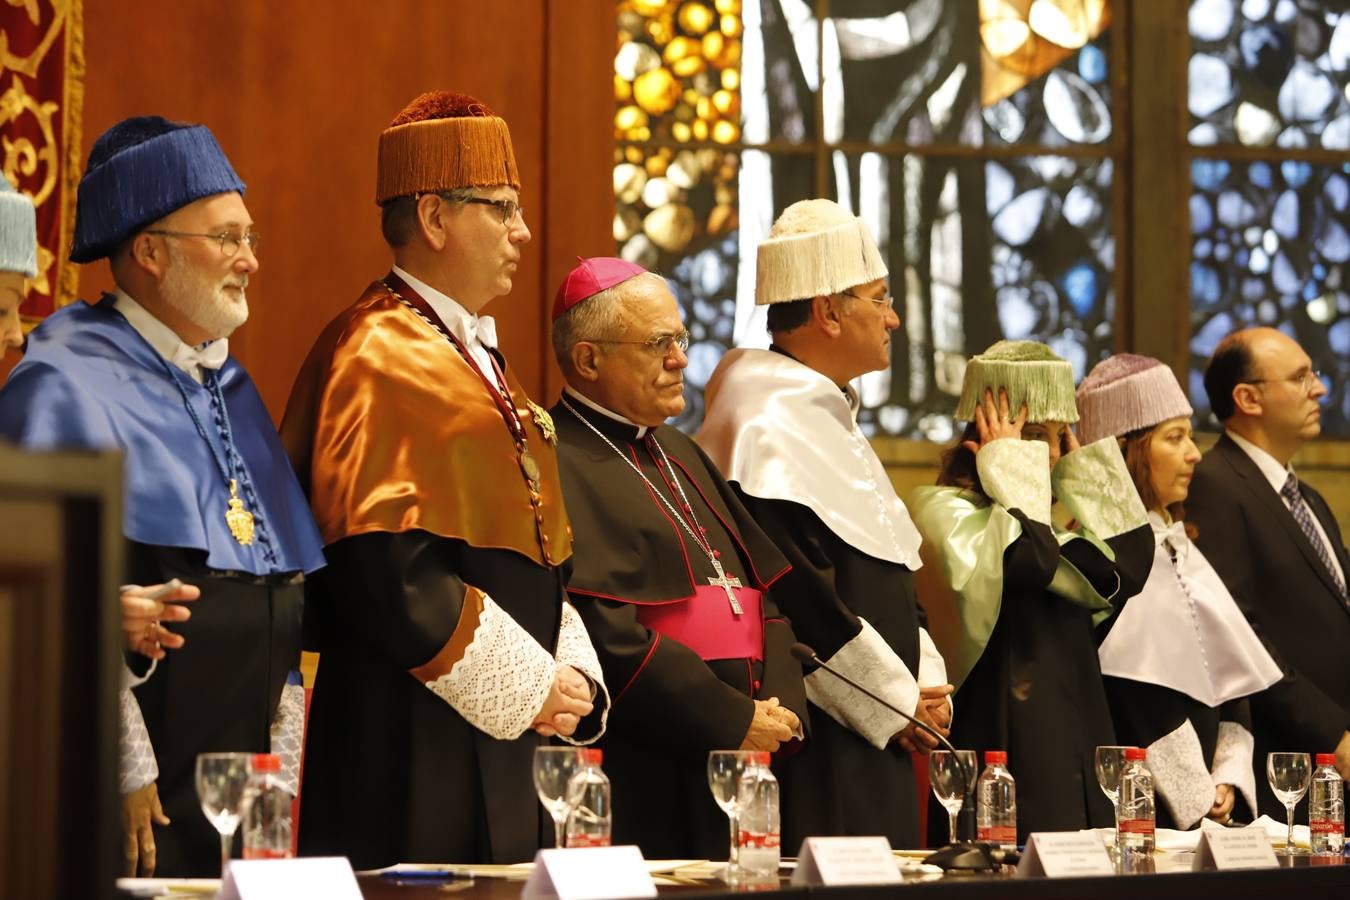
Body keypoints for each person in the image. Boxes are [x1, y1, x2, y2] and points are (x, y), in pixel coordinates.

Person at [281, 91, 608, 868]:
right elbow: (379, 565)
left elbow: (535, 537)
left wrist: (568, 672)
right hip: (410, 731)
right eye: (500, 209)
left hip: (510, 727)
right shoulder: (376, 349)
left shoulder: (478, 353)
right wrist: (527, 682)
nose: (522, 232)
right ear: (433, 218)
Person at [0, 117, 326, 876]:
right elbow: (48, 609)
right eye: (226, 238)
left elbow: (277, 590)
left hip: (240, 794)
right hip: (137, 796)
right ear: (150, 253)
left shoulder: (231, 384)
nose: (249, 259)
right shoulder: (59, 379)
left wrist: (277, 771)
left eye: (250, 236)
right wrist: (121, 767)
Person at [699, 199, 951, 851]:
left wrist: (923, 681)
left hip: (884, 727)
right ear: (828, 312)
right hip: (824, 737)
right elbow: (798, 594)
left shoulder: (823, 409)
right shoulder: (765, 420)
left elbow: (888, 562)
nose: (893, 317)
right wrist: (894, 702)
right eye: (879, 298)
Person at [549, 257, 805, 859]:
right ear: (588, 360)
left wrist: (781, 710)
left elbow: (762, 594)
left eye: (680, 339)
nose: (681, 360)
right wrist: (726, 720)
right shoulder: (554, 454)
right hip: (649, 759)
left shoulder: (682, 450)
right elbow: (600, 629)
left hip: (749, 754)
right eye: (659, 343)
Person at [908, 340, 1153, 840]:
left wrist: (1084, 470)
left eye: (1058, 438)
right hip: (999, 738)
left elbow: (1127, 570)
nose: (1047, 455)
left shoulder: (1041, 526)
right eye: (1030, 437)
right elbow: (1027, 563)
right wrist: (1010, 469)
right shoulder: (941, 512)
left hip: (1077, 734)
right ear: (980, 443)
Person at [1078, 354, 1282, 828]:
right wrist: (1197, 793)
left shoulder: (1182, 546)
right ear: (1125, 451)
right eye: (1175, 438)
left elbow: (1231, 677)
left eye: (1189, 436)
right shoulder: (1099, 559)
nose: (1194, 453)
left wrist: (1228, 775)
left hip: (1212, 803)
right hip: (1141, 809)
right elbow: (1134, 695)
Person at [1188, 328, 1350, 814]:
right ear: (1248, 398)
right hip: (1287, 765)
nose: (1319, 389)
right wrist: (1332, 733)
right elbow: (1238, 634)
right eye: (1301, 378)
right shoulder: (1215, 485)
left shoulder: (1311, 499)